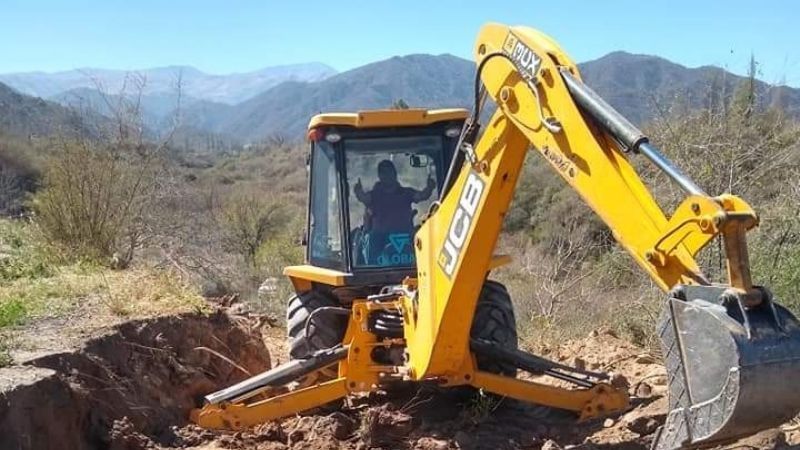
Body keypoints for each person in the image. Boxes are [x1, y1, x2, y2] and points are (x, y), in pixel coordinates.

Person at [353, 159, 435, 264]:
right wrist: (358, 191)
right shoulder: (374, 195)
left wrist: (429, 187)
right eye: (384, 172)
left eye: (390, 172)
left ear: (395, 173)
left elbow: (422, 196)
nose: (388, 175)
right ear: (380, 176)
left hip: (405, 236)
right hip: (379, 239)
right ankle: (373, 267)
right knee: (371, 243)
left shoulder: (406, 193)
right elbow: (363, 198)